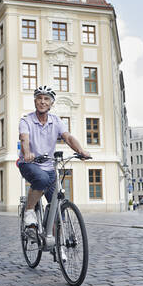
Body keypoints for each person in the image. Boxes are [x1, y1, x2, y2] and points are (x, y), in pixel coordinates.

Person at [18, 86, 90, 228]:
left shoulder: (56, 121)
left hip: (49, 167)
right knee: (41, 179)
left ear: (51, 103)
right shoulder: (26, 121)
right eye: (39, 98)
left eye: (46, 99)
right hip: (29, 164)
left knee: (57, 207)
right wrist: (27, 153)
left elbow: (68, 138)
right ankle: (29, 210)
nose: (42, 102)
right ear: (35, 102)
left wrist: (81, 151)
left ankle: (57, 246)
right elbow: (24, 139)